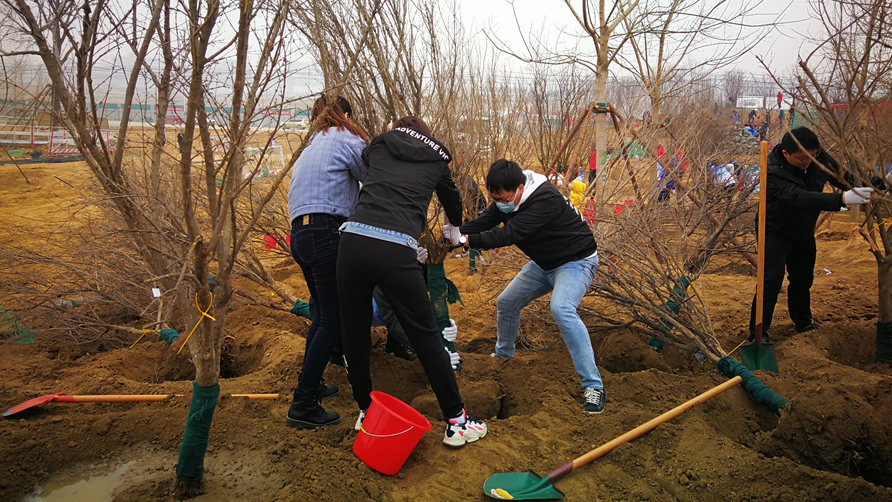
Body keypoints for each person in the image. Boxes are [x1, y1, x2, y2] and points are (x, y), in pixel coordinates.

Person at [337, 116, 487, 448]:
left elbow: (370, 171)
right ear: (427, 136)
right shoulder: (437, 159)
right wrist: (453, 227)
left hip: (352, 241)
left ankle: (365, 411)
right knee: (427, 337)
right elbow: (452, 200)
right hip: (394, 248)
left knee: (354, 330)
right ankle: (457, 423)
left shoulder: (379, 145)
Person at [446, 159, 605, 414]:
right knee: (506, 303)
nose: (499, 202)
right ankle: (503, 358)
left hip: (576, 262)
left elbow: (508, 235)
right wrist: (452, 235)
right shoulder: (506, 198)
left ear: (520, 188)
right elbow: (486, 221)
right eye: (494, 197)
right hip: (545, 263)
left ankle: (593, 386)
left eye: (503, 197)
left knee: (562, 309)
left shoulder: (545, 200)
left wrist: (465, 241)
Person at [285, 95, 368, 429]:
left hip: (300, 234)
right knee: (332, 318)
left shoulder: (310, 145)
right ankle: (303, 403)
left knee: (321, 312)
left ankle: (312, 383)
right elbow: (370, 176)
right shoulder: (346, 137)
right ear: (345, 114)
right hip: (325, 231)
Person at [747, 127, 873, 342]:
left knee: (803, 278)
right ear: (786, 154)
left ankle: (803, 321)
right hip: (774, 231)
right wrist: (841, 200)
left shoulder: (818, 157)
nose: (808, 162)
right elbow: (799, 197)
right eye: (802, 159)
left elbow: (841, 176)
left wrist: (875, 186)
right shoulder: (772, 170)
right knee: (771, 280)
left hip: (803, 230)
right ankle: (758, 333)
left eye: (812, 157)